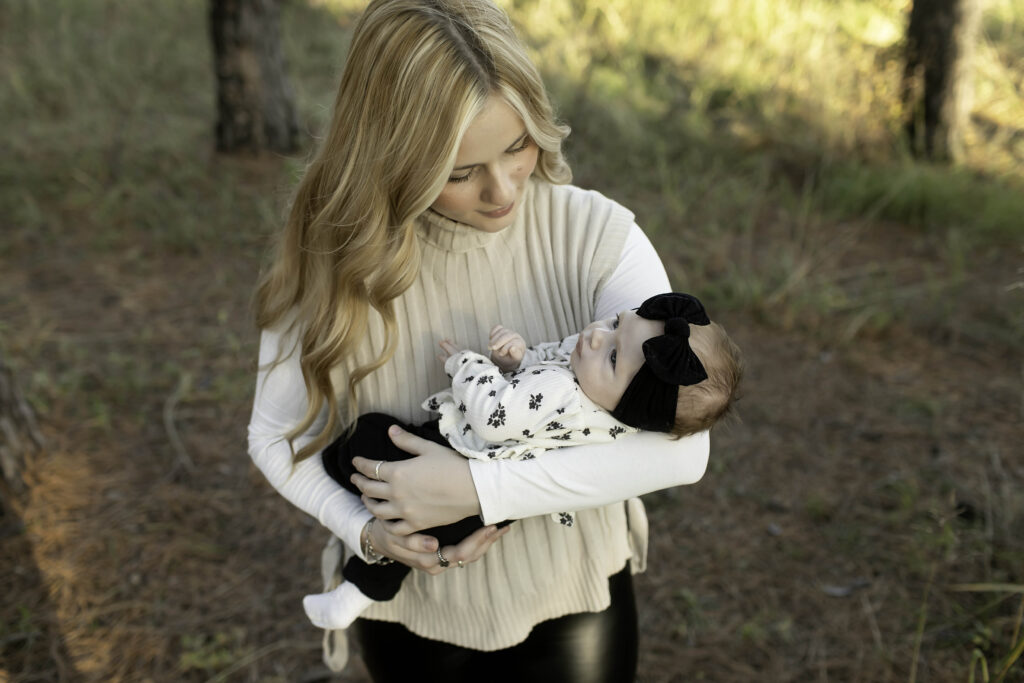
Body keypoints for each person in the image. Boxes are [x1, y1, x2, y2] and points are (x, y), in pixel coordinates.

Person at [246, 0, 716, 680]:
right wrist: (369, 534)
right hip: (411, 617)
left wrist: (479, 487)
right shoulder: (332, 266)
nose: (501, 191)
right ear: (391, 157)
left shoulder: (594, 237)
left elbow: (684, 451)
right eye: (461, 173)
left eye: (517, 146)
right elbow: (273, 438)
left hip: (572, 603)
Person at [302, 292, 742, 630]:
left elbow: (496, 416)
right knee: (407, 533)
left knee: (367, 439)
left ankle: (342, 519)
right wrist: (518, 358)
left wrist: (468, 364)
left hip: (458, 457)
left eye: (612, 354)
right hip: (486, 507)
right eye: (614, 323)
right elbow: (546, 373)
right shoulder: (605, 404)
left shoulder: (567, 394)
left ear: (633, 406)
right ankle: (356, 592)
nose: (594, 335)